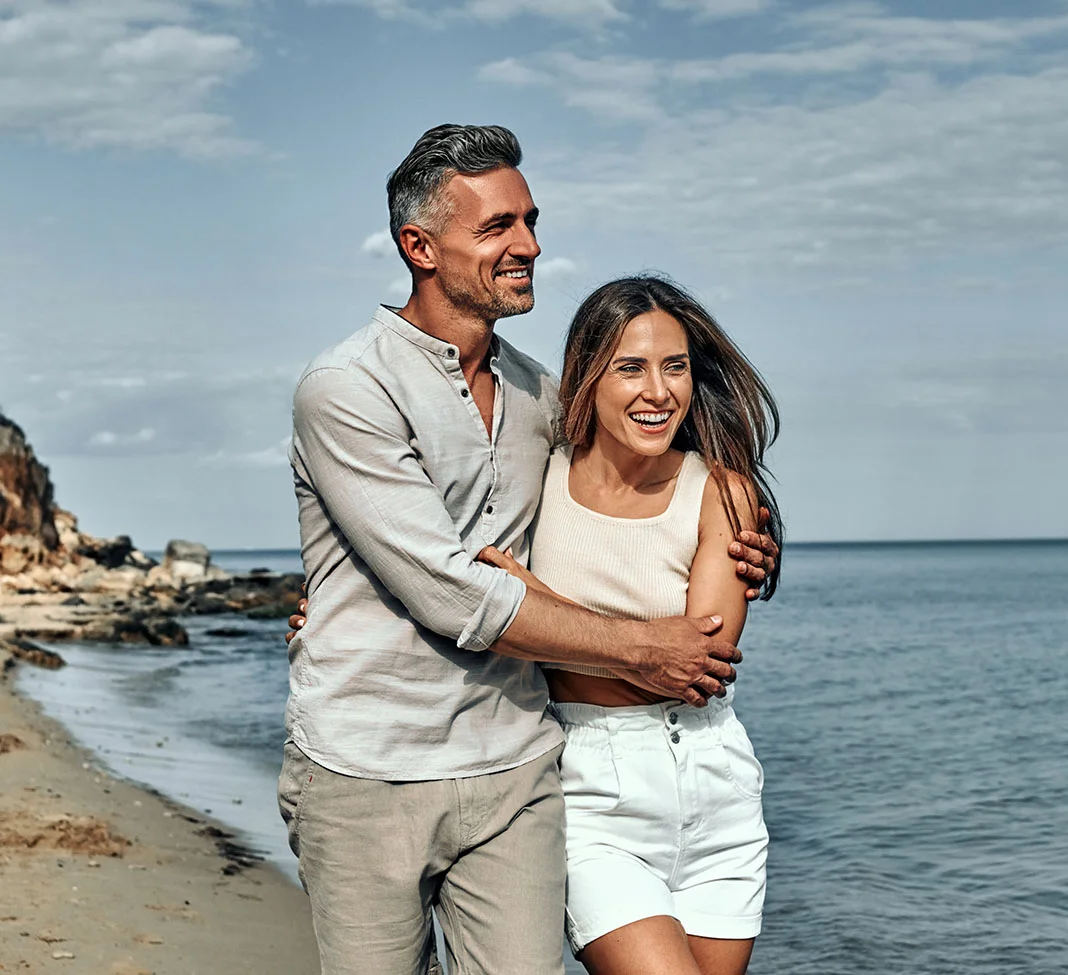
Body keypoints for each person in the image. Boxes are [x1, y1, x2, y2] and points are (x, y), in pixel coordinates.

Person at [279, 123, 777, 975]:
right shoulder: (348, 386)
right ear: (419, 246)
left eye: (530, 220)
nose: (530, 246)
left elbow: (627, 468)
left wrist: (732, 521)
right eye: (499, 227)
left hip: (518, 766)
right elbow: (449, 590)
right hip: (368, 769)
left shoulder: (541, 393)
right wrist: (643, 645)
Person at [477, 275, 783, 975]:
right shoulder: (536, 479)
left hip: (718, 789)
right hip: (593, 794)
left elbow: (699, 666)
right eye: (630, 367)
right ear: (587, 376)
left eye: (674, 366)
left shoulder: (724, 492)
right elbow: (445, 567)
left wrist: (538, 611)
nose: (658, 391)